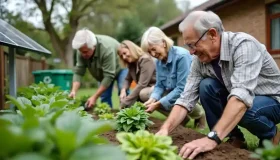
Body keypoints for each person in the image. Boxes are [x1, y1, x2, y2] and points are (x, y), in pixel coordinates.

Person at [156, 11, 280, 160]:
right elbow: (185, 98)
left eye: (192, 45)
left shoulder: (244, 45)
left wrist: (212, 137)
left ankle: (270, 135)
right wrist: (165, 129)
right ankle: (235, 138)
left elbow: (241, 97)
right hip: (244, 99)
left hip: (272, 100)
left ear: (213, 34)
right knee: (206, 86)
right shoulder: (199, 60)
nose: (191, 52)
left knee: (246, 107)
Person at [141, 26, 206, 129]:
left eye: (153, 49)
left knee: (179, 96)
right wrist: (153, 99)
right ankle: (182, 119)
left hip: (190, 93)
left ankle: (199, 115)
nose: (153, 54)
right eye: (149, 52)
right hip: (174, 92)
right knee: (147, 94)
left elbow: (182, 89)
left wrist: (158, 104)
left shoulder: (181, 57)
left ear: (163, 42)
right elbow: (159, 85)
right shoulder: (158, 61)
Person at [70, 28, 128, 108]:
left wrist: (94, 97)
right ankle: (108, 118)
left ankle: (128, 115)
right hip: (104, 73)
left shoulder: (106, 49)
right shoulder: (82, 49)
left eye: (85, 52)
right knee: (104, 97)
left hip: (121, 67)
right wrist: (74, 91)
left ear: (93, 46)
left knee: (123, 91)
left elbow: (108, 76)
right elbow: (79, 72)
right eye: (80, 51)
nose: (82, 54)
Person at [118, 40, 156, 108]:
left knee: (142, 93)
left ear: (131, 49)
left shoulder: (145, 60)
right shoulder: (132, 63)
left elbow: (142, 84)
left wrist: (125, 101)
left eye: (125, 53)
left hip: (157, 88)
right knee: (137, 95)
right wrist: (123, 90)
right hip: (148, 89)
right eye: (121, 56)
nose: (124, 57)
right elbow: (128, 79)